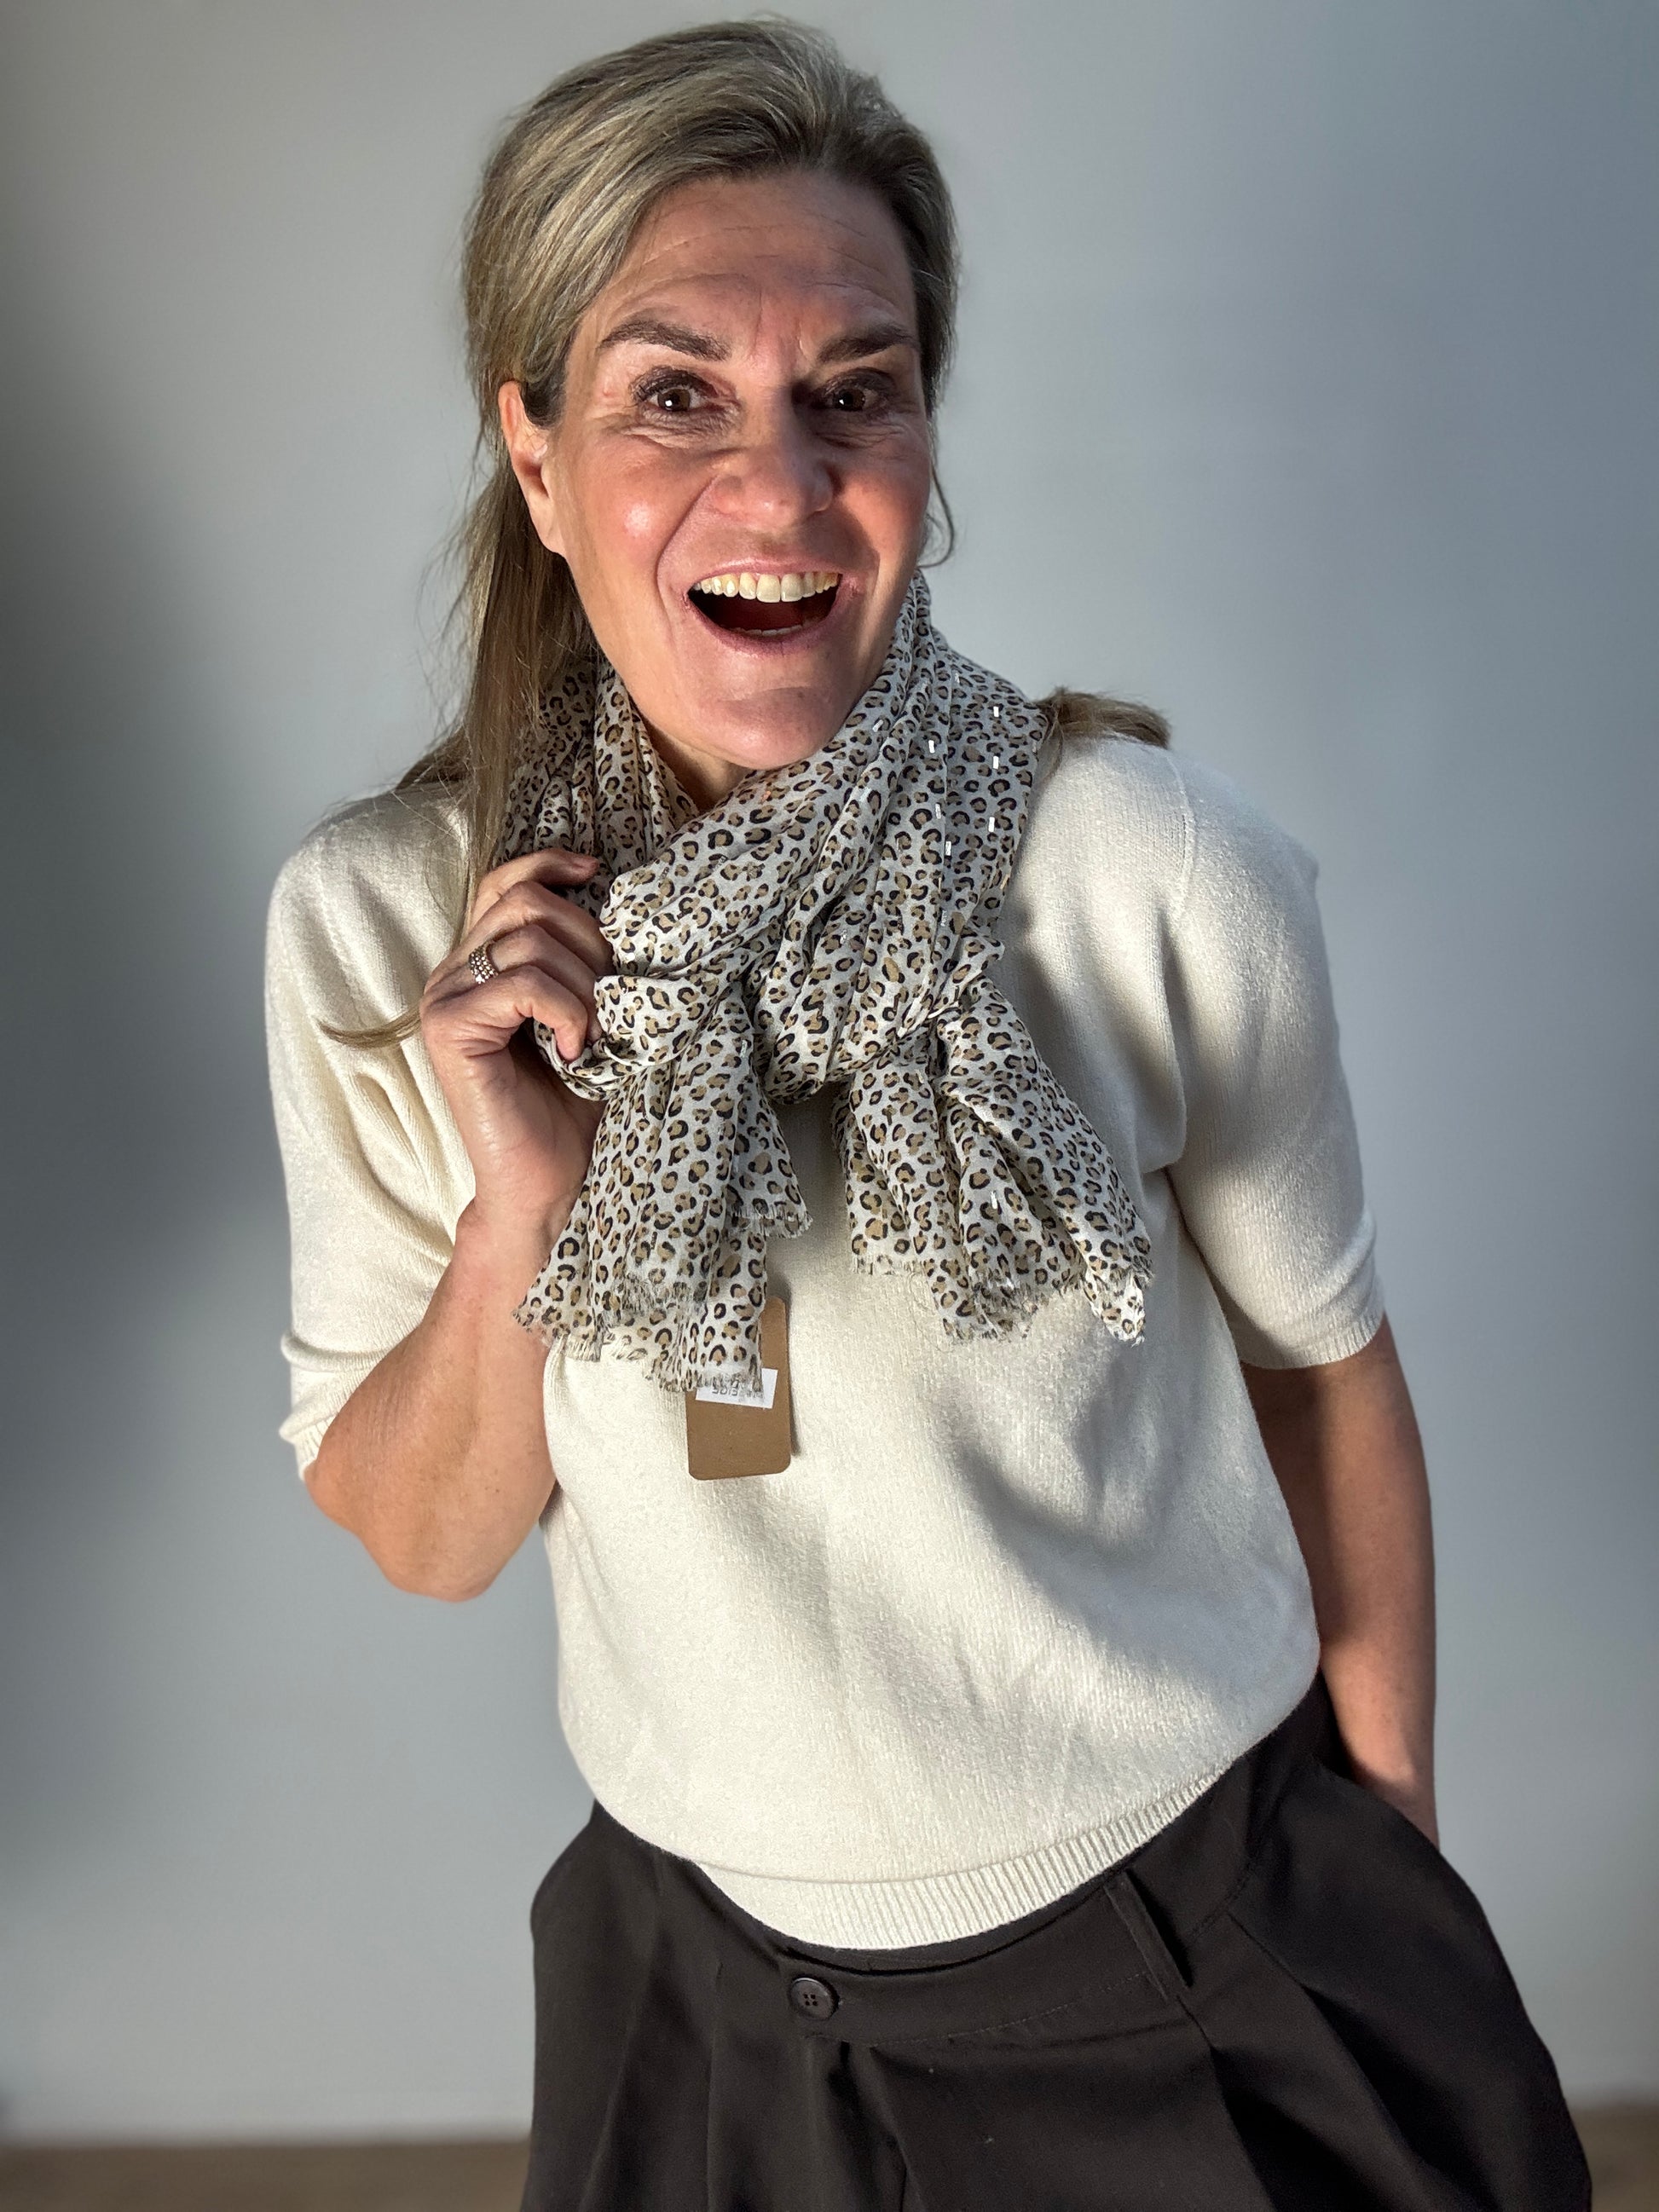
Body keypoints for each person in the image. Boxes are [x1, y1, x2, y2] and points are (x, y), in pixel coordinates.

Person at [265, 20, 1588, 2209]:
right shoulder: (392, 928)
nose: (779, 486)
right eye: (672, 394)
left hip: (1194, 1936)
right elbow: (429, 1536)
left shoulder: (1152, 866)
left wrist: (1392, 1857)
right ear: (533, 450)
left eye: (853, 391)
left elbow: (1324, 1365)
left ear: (922, 435)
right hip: (690, 1985)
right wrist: (523, 1216)